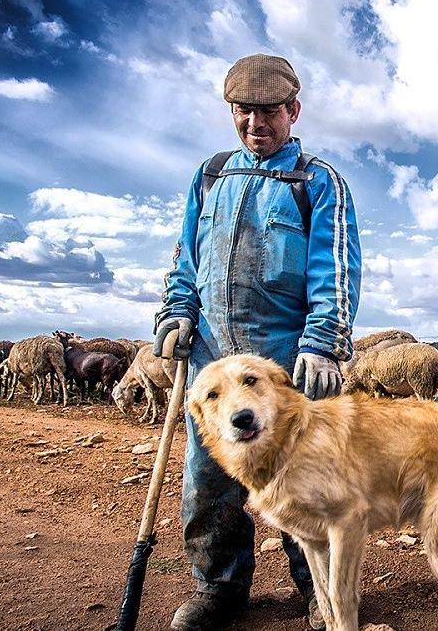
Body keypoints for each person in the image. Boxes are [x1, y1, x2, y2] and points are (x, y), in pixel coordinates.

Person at [154, 53, 362, 631]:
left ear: (294, 111)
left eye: (268, 111)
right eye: (242, 112)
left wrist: (324, 340)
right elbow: (186, 258)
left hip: (283, 363)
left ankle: (319, 592)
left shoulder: (318, 183)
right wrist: (175, 310)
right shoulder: (211, 175)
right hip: (213, 360)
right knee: (209, 477)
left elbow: (335, 271)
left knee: (304, 477)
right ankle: (219, 588)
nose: (255, 123)